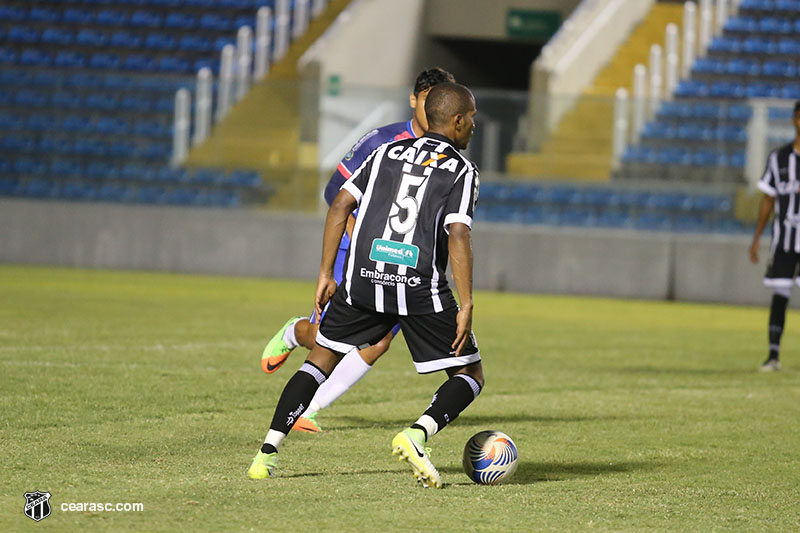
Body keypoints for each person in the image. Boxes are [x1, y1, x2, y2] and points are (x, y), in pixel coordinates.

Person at [249, 82, 482, 488]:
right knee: (469, 373)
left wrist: (325, 273)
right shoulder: (462, 169)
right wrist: (465, 302)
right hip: (418, 286)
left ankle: (265, 454)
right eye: (473, 120)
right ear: (458, 122)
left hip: (363, 278)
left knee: (319, 360)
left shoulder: (385, 151)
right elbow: (458, 232)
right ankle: (417, 433)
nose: (474, 128)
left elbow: (340, 203)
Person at [749, 100, 800, 372]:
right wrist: (757, 237)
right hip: (784, 240)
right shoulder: (778, 158)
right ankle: (773, 355)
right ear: (794, 119)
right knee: (780, 292)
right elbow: (768, 200)